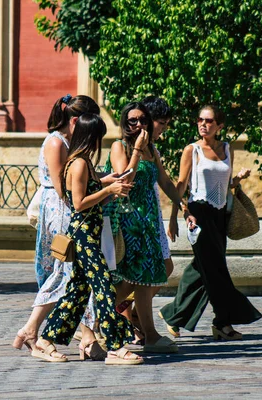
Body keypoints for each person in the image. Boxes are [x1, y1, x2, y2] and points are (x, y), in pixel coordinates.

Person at [32, 113, 143, 365]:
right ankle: (115, 346)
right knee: (103, 286)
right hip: (83, 237)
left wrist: (109, 183)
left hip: (90, 233)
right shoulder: (80, 164)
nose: (99, 142)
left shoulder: (84, 163)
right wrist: (108, 189)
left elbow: (91, 193)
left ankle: (45, 340)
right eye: (97, 137)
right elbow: (79, 204)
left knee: (77, 293)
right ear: (90, 137)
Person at [13, 95, 108, 354]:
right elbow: (63, 189)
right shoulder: (56, 142)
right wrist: (94, 197)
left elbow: (80, 178)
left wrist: (106, 180)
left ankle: (85, 337)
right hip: (61, 212)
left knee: (75, 275)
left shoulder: (68, 142)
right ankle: (33, 330)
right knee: (64, 273)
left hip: (68, 211)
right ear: (75, 121)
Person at [158, 104, 262, 340]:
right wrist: (175, 216)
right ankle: (222, 322)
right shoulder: (191, 150)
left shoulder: (227, 148)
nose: (203, 124)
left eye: (209, 121)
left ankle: (173, 314)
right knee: (216, 271)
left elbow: (224, 185)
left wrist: (238, 179)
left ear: (220, 126)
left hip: (220, 215)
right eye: (200, 120)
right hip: (199, 215)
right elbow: (181, 185)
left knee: (202, 269)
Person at [106, 101, 185, 353]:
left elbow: (164, 181)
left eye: (142, 119)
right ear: (125, 124)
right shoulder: (119, 147)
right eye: (132, 120)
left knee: (145, 278)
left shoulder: (154, 150)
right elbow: (124, 180)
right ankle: (93, 320)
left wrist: (182, 204)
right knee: (131, 279)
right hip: (128, 222)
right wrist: (137, 151)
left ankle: (148, 334)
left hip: (148, 221)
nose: (138, 124)